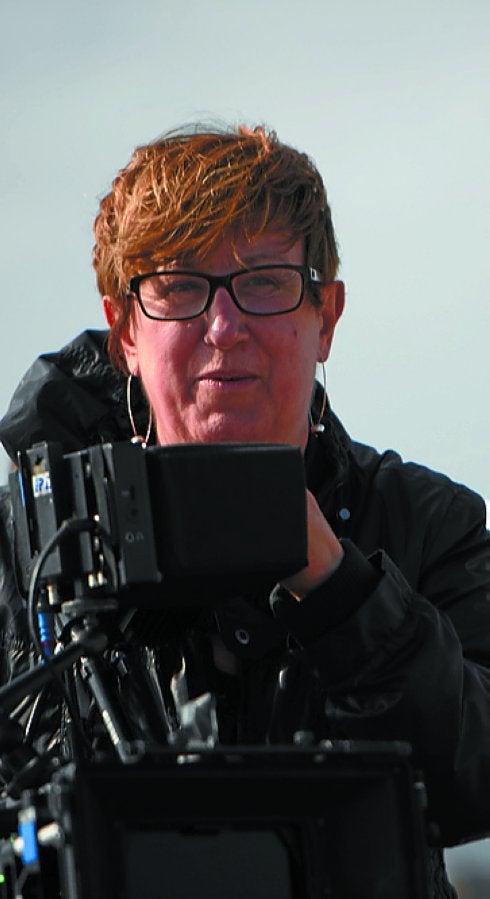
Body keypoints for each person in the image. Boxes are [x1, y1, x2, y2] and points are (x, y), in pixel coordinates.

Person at [0, 124, 489, 898]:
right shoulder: (21, 550)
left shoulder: (426, 523)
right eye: (180, 286)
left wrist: (341, 590)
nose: (224, 327)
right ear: (125, 331)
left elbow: (476, 786)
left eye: (264, 281)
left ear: (327, 317)